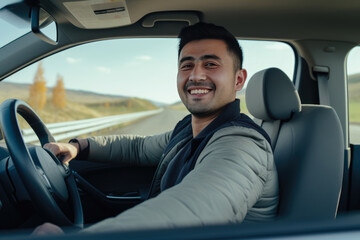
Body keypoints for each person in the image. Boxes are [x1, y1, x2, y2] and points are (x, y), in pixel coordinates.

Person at [33, 22, 278, 235]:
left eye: (211, 64)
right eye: (186, 65)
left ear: (238, 80)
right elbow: (138, 147)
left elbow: (195, 210)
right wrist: (78, 146)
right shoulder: (189, 128)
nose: (195, 75)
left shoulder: (243, 143)